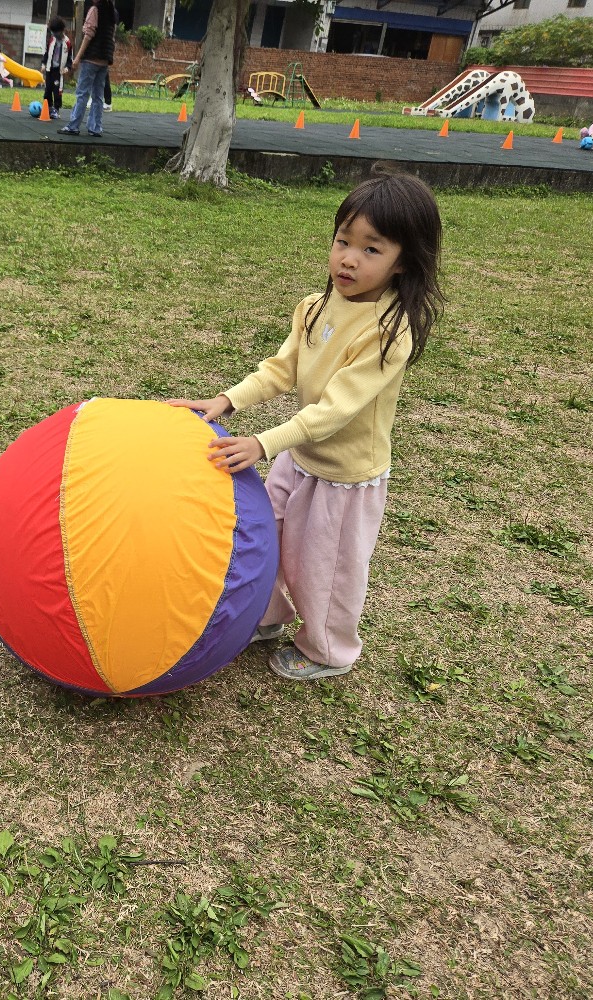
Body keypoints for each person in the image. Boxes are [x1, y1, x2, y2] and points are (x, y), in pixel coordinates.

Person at [166, 170, 444, 682]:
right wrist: (226, 401)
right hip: (298, 459)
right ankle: (266, 615)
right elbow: (281, 369)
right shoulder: (315, 308)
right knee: (263, 540)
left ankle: (329, 649)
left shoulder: (389, 333)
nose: (349, 258)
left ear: (404, 262)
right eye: (343, 241)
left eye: (371, 249)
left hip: (345, 476)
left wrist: (263, 443)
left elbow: (335, 410)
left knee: (325, 568)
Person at [58, 0, 117, 138]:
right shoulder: (112, 13)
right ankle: (95, 128)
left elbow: (88, 35)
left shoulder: (94, 10)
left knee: (82, 93)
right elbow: (112, 38)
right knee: (98, 96)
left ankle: (73, 126)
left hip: (91, 58)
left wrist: (77, 57)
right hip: (104, 60)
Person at [40, 18, 70, 118]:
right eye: (53, 32)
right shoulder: (51, 40)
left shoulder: (67, 43)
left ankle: (56, 109)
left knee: (57, 91)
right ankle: (48, 108)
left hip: (59, 71)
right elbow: (46, 53)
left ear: (62, 30)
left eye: (56, 32)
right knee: (47, 90)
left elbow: (70, 58)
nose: (55, 34)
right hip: (50, 69)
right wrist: (43, 64)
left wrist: (67, 68)